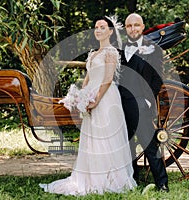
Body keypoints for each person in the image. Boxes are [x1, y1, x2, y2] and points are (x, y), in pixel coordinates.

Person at [39, 16, 137, 196]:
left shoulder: (110, 52)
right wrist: (80, 96)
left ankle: (110, 178)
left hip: (106, 98)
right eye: (96, 27)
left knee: (106, 137)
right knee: (91, 138)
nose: (98, 30)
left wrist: (96, 99)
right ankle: (91, 176)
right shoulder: (93, 53)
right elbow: (88, 79)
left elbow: (107, 79)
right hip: (91, 96)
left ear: (110, 31)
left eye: (102, 27)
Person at [118, 13, 169, 192]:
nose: (133, 29)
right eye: (129, 26)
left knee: (148, 143)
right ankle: (132, 180)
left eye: (136, 25)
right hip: (120, 102)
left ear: (142, 26)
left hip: (140, 101)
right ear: (126, 29)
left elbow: (158, 77)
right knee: (127, 143)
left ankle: (162, 183)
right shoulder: (119, 49)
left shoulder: (153, 49)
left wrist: (148, 100)